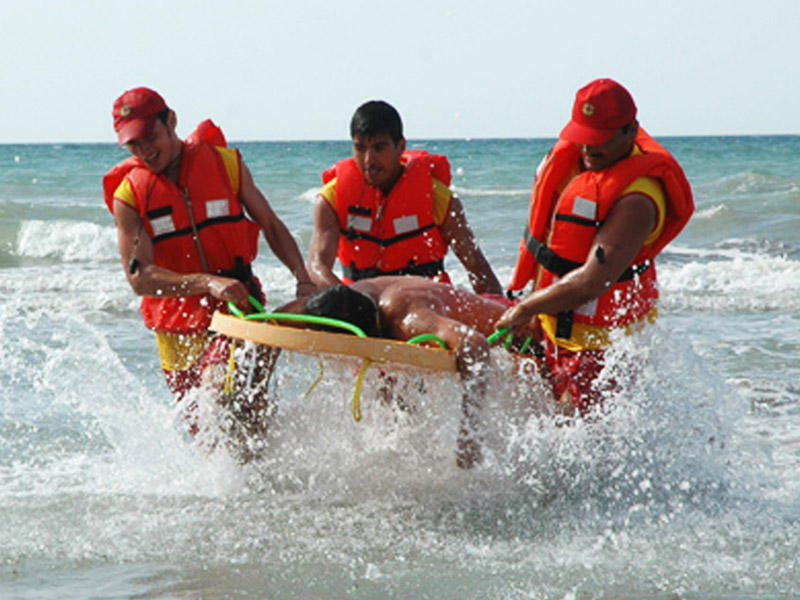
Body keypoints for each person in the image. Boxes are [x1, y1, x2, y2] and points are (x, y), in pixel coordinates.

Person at [102, 87, 315, 441]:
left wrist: (302, 277)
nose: (144, 151)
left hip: (237, 307)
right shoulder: (130, 196)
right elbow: (139, 279)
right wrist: (206, 283)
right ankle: (254, 491)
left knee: (220, 399)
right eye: (133, 145)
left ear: (170, 120)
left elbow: (272, 224)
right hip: (176, 329)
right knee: (210, 437)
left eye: (149, 137)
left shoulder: (225, 164)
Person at [496, 78, 694, 416]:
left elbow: (592, 281)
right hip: (552, 328)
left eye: (599, 140)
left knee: (573, 438)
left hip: (603, 349)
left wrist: (525, 308)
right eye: (583, 138)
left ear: (630, 131)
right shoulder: (576, 164)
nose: (588, 149)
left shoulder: (639, 200)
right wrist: (533, 310)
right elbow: (549, 248)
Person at [279, 276, 513, 468]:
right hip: (439, 316)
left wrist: (469, 434)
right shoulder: (327, 305)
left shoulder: (405, 319)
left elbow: (475, 345)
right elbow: (269, 325)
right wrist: (253, 407)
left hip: (512, 326)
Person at [307, 100, 503, 296]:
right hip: (361, 302)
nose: (368, 160)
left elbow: (478, 269)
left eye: (379, 148)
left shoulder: (437, 198)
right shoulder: (331, 200)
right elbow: (317, 268)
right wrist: (348, 302)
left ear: (400, 146)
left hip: (424, 304)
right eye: (360, 148)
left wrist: (503, 313)